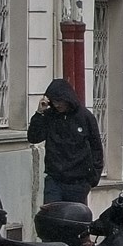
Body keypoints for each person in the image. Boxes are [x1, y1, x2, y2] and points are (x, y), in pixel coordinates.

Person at [28, 75, 104, 203]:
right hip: (55, 180)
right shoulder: (49, 116)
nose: (57, 105)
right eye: (54, 101)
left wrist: (92, 179)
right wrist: (39, 113)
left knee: (75, 219)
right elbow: (34, 137)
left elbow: (96, 148)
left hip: (78, 182)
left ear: (67, 99)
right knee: (52, 217)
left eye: (60, 101)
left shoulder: (85, 117)